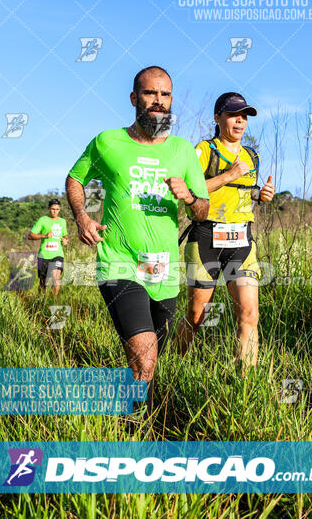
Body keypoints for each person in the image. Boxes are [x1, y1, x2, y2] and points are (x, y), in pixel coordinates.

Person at [66, 66, 209, 410]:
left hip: (162, 270)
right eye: (150, 93)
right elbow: (75, 179)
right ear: (134, 98)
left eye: (165, 95)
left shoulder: (183, 150)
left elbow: (202, 211)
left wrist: (189, 196)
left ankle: (135, 413)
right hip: (119, 263)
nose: (158, 101)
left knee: (150, 361)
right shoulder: (108, 142)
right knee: (145, 360)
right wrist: (82, 216)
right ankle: (135, 434)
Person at [177, 92, 275, 370]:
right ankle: (173, 365)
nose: (240, 121)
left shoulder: (251, 156)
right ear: (217, 117)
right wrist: (229, 174)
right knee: (196, 316)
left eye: (244, 116)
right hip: (206, 238)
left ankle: (245, 384)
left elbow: (243, 194)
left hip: (242, 241)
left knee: (249, 314)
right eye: (233, 115)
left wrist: (261, 195)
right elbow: (188, 189)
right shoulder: (204, 150)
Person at [28, 198, 69, 296]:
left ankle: (54, 302)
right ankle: (41, 302)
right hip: (44, 255)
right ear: (48, 209)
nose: (55, 211)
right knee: (43, 283)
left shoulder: (62, 221)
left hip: (57, 254)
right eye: (53, 209)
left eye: (57, 209)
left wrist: (65, 240)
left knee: (56, 279)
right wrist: (44, 236)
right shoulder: (42, 220)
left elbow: (66, 235)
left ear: (60, 209)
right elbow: (30, 235)